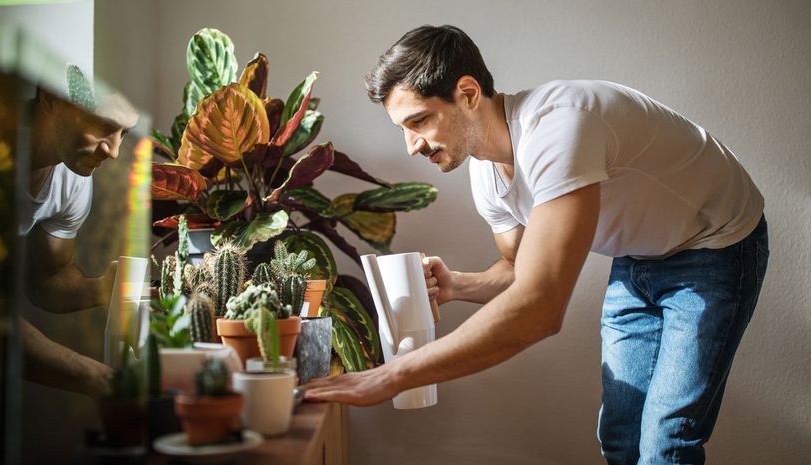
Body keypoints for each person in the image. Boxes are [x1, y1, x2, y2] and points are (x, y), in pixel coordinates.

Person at [302, 25, 769, 465]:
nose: (411, 146)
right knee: (621, 435)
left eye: (419, 121)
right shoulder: (486, 172)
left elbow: (540, 306)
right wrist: (458, 285)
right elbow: (518, 269)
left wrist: (391, 375)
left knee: (668, 440)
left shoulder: (559, 128)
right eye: (402, 128)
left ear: (467, 94)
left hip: (717, 245)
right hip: (638, 258)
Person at [19, 84, 139, 398]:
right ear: (50, 96)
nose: (113, 152)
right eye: (105, 126)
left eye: (124, 133)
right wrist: (98, 379)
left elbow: (47, 278)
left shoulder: (71, 180)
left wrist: (102, 288)